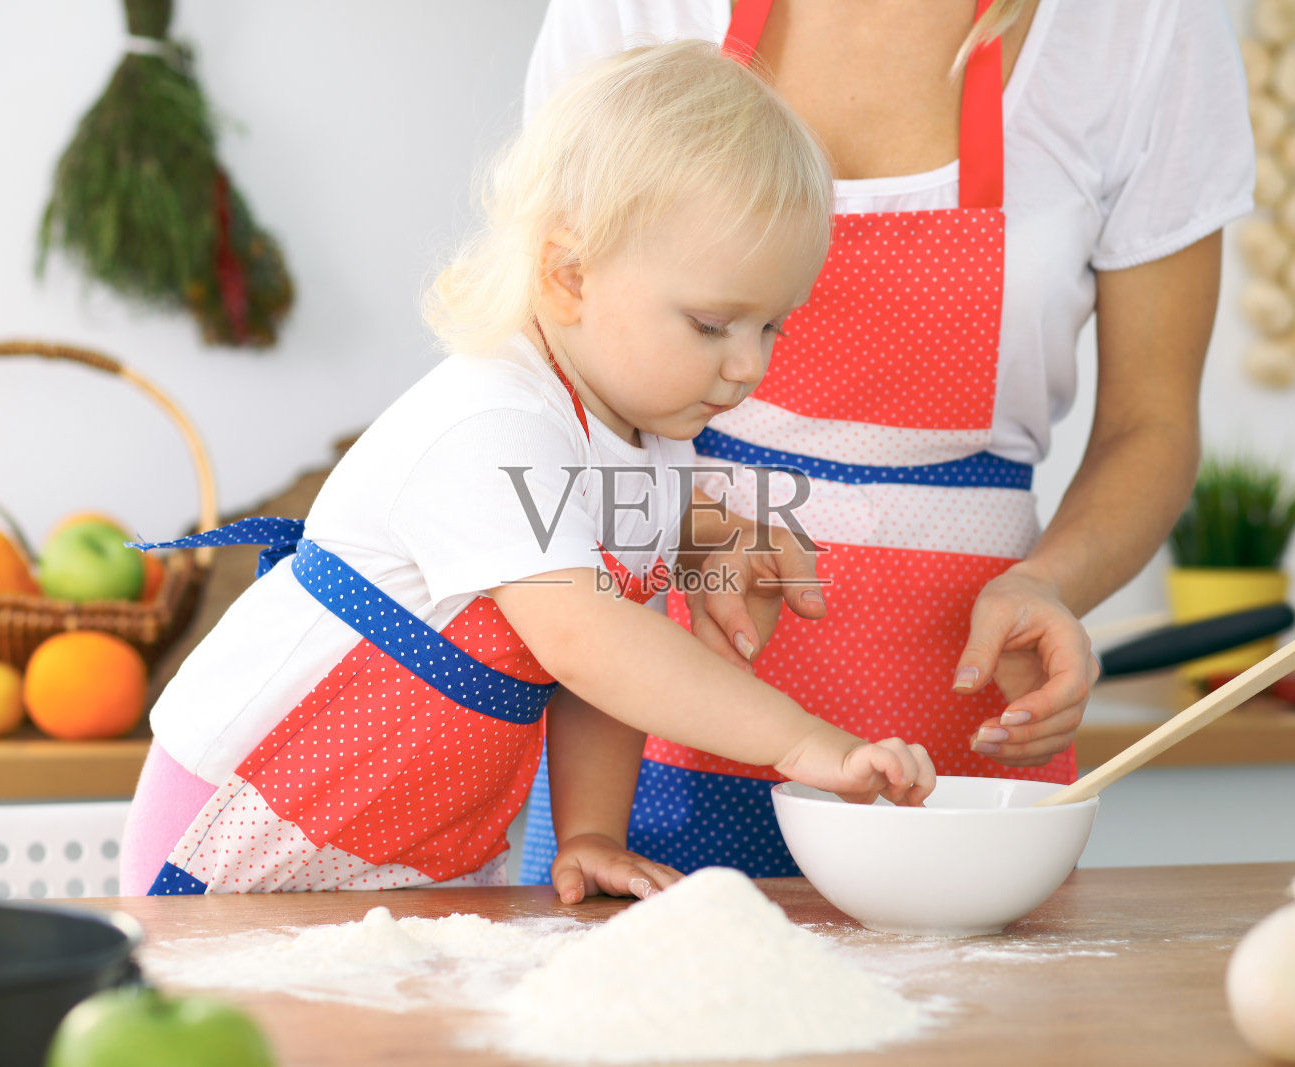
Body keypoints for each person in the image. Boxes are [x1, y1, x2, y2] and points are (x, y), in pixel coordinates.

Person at [117, 39, 937, 901]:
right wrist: (802, 741)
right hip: (240, 820)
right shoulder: (495, 420)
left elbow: (614, 662)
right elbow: (590, 644)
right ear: (569, 275)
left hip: (408, 847)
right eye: (711, 325)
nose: (748, 368)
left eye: (770, 327)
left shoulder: (654, 449)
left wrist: (589, 832)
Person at [520, 0, 1256, 881]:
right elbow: (552, 380)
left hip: (960, 718)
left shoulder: (1146, 28)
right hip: (645, 703)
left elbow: (1153, 424)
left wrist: (1050, 582)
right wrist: (696, 530)